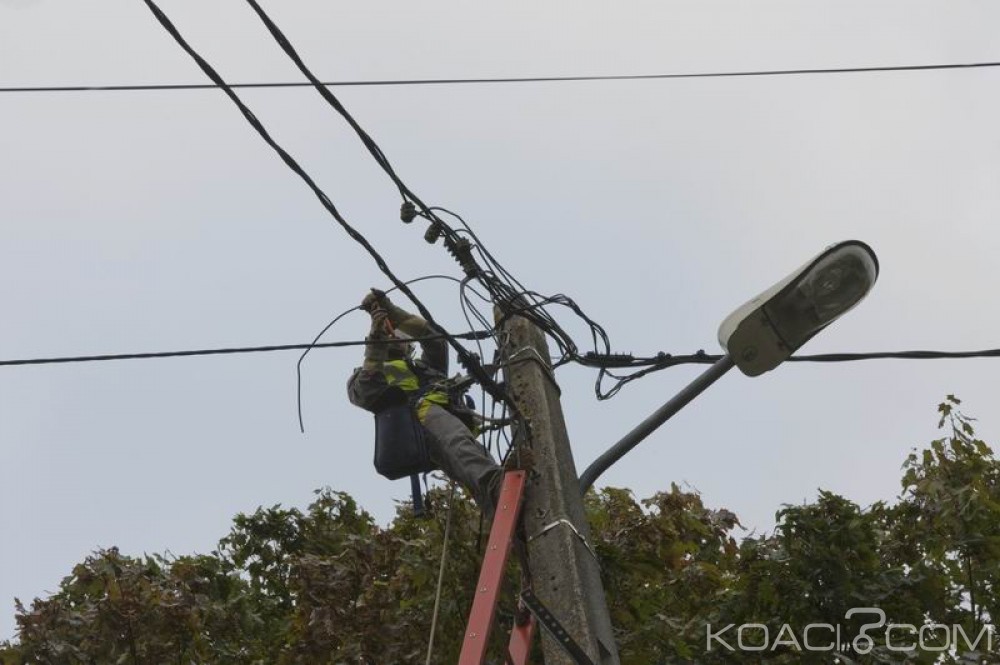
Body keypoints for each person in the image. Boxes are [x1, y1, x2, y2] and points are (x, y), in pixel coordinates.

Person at [346, 289, 502, 515]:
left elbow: (434, 338)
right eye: (390, 333)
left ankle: (507, 513)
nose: (394, 336)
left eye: (398, 333)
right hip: (416, 421)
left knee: (469, 457)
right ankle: (496, 483)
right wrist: (376, 339)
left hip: (450, 421)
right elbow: (365, 390)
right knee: (461, 446)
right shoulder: (370, 371)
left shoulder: (425, 366)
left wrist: (391, 310)